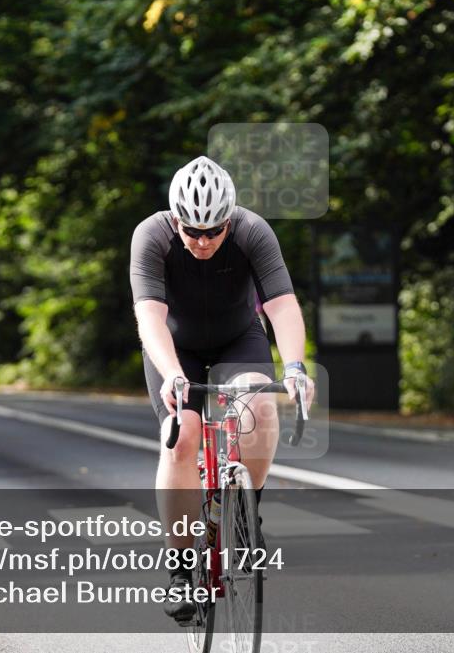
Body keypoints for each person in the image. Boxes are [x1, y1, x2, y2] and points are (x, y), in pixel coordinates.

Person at [129, 155, 315, 623]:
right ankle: (179, 567)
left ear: (230, 220)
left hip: (238, 337)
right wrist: (172, 372)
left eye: (215, 230)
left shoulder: (254, 231)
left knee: (261, 407)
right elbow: (150, 319)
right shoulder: (151, 236)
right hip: (177, 347)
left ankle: (245, 515)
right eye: (193, 231)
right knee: (182, 434)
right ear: (175, 219)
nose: (204, 240)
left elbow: (283, 305)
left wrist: (294, 366)